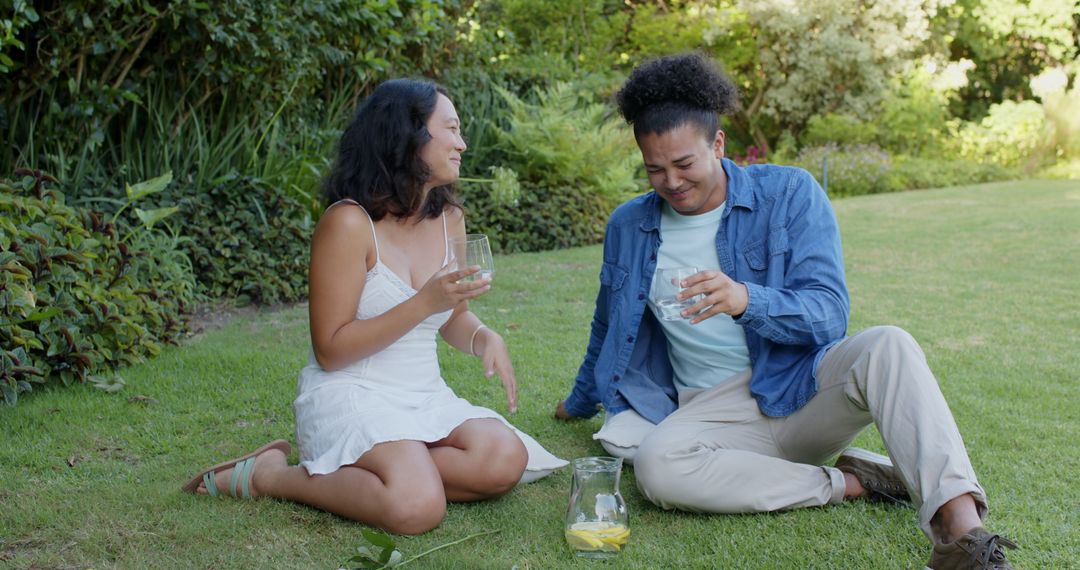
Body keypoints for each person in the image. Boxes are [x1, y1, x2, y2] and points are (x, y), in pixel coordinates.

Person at [554, 53, 1016, 569]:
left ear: (719, 144)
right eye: (655, 169)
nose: (672, 182)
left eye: (685, 164)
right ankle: (854, 481)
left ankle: (963, 535)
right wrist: (578, 402)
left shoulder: (790, 193)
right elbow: (607, 323)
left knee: (889, 343)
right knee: (656, 469)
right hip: (710, 414)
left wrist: (746, 300)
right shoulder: (629, 226)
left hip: (798, 388)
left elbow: (829, 314)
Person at [184, 78, 566, 535]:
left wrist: (483, 335)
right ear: (408, 136)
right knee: (417, 508)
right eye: (451, 128)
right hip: (352, 394)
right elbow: (331, 349)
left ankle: (396, 468)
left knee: (504, 458)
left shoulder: (450, 219)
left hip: (422, 396)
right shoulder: (348, 223)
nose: (462, 143)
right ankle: (270, 475)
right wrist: (424, 302)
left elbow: (453, 316)